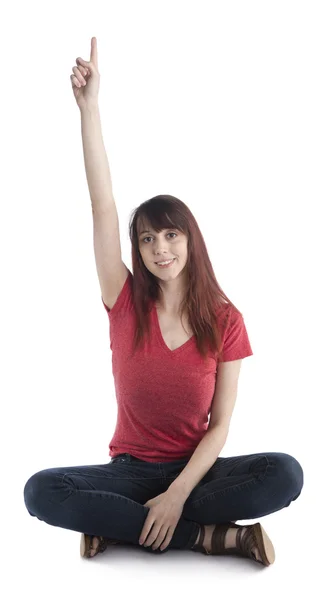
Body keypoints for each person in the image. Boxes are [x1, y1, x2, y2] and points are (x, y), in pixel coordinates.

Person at [23, 37, 303, 567]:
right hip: (128, 470)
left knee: (285, 473)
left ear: (190, 239)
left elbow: (219, 427)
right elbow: (102, 203)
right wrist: (90, 109)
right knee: (41, 490)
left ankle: (122, 526)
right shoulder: (123, 300)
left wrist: (177, 495)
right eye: (147, 240)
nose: (159, 248)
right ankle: (213, 538)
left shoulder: (226, 320)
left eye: (170, 235)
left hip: (196, 473)